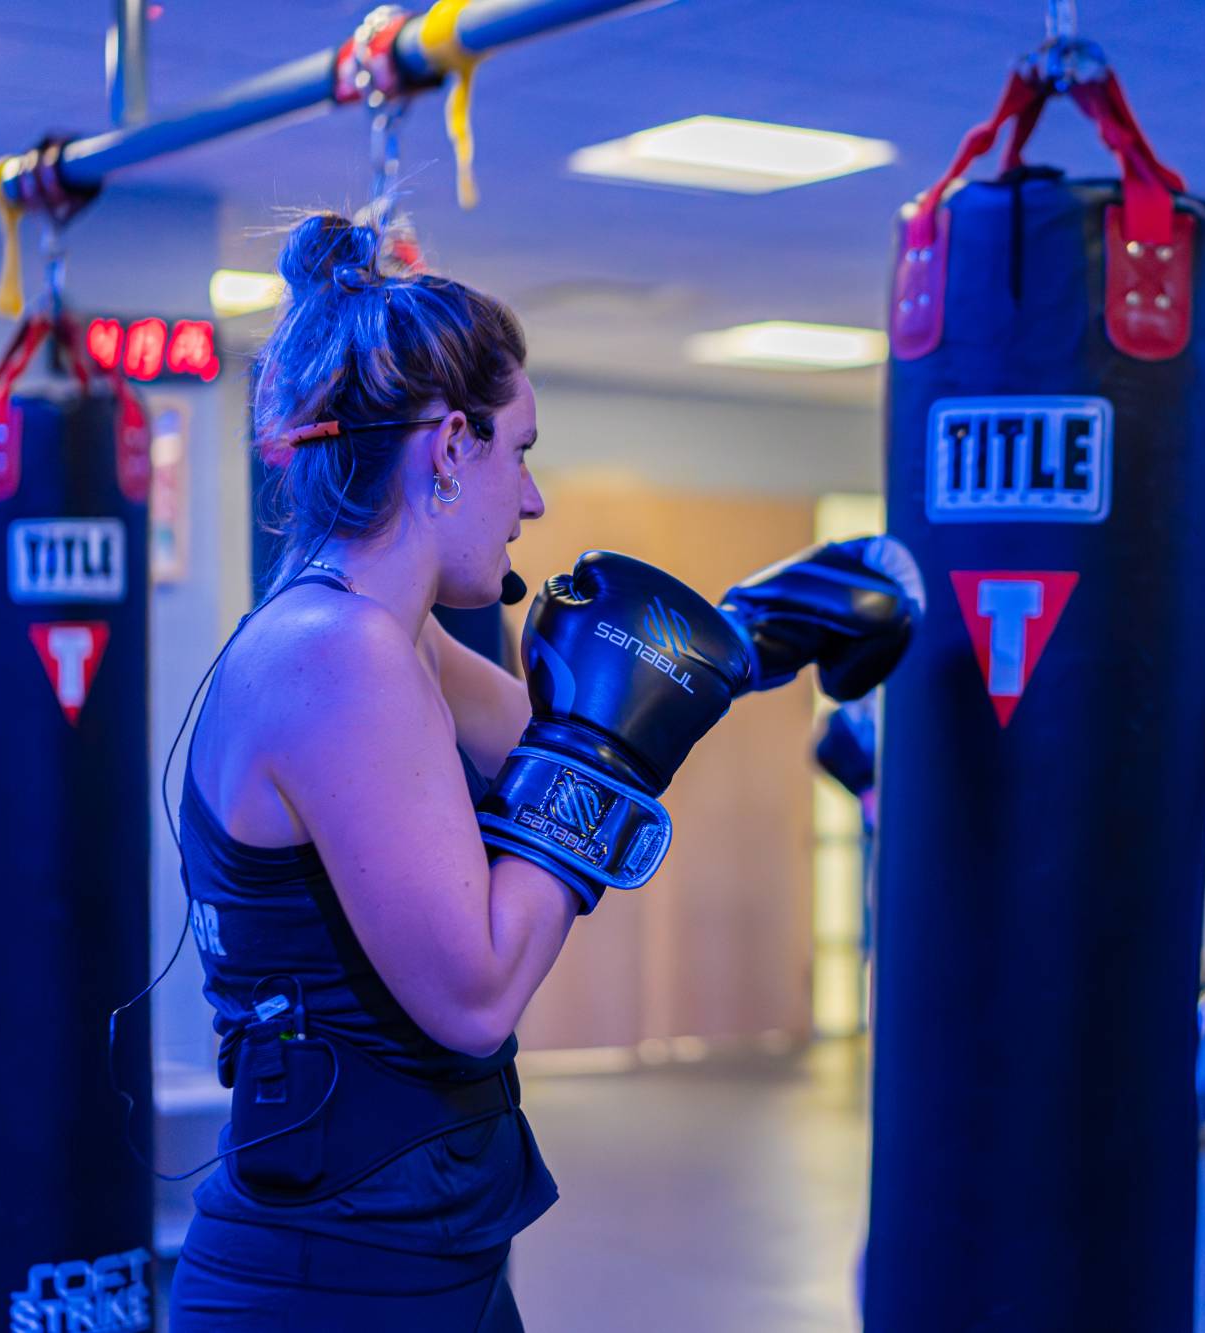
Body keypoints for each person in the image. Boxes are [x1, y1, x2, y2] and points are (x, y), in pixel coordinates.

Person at [165, 211, 920, 1330]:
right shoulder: (337, 654)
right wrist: (598, 745)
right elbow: (475, 990)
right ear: (451, 445)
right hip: (334, 1279)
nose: (532, 500)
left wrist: (742, 638)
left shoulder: (386, 635)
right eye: (519, 451)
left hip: (423, 1242)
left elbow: (553, 737)